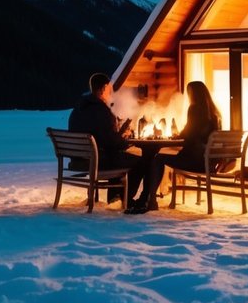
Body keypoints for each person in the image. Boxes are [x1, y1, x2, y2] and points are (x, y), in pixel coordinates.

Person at [127, 80, 221, 214]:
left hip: (194, 160)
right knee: (159, 157)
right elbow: (195, 133)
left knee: (158, 158)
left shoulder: (195, 109)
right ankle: (147, 198)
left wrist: (178, 135)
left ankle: (149, 199)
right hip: (208, 162)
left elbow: (189, 133)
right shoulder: (215, 115)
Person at [67, 72, 145, 207]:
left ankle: (115, 197)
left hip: (78, 159)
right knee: (140, 161)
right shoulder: (102, 111)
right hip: (96, 161)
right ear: (103, 88)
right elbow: (111, 143)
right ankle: (126, 199)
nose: (111, 92)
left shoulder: (78, 109)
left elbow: (102, 137)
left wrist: (117, 137)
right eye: (110, 88)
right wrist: (125, 141)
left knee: (116, 157)